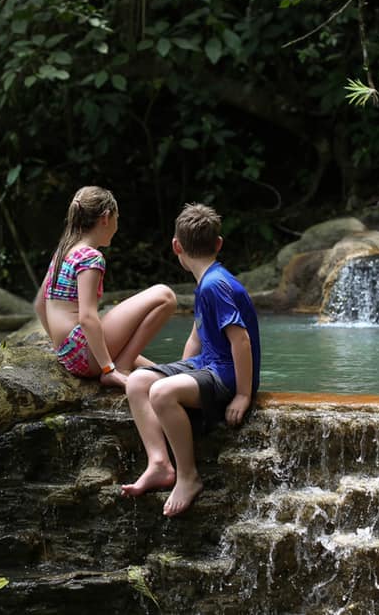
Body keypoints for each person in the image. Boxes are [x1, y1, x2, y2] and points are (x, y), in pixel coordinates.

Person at [121, 203, 261, 517]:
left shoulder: (216, 285)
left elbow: (241, 339)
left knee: (161, 392)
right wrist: (183, 373)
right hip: (207, 365)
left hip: (227, 375)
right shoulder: (208, 282)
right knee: (137, 381)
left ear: (176, 246)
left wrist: (243, 393)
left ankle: (188, 475)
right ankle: (159, 462)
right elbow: (197, 336)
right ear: (219, 244)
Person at [34, 186, 176, 388]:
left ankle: (153, 375)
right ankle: (121, 368)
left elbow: (40, 304)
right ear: (106, 217)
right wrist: (108, 368)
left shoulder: (63, 250)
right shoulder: (90, 257)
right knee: (165, 295)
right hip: (84, 354)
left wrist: (62, 348)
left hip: (69, 353)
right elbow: (87, 318)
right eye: (117, 219)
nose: (117, 227)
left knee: (160, 372)